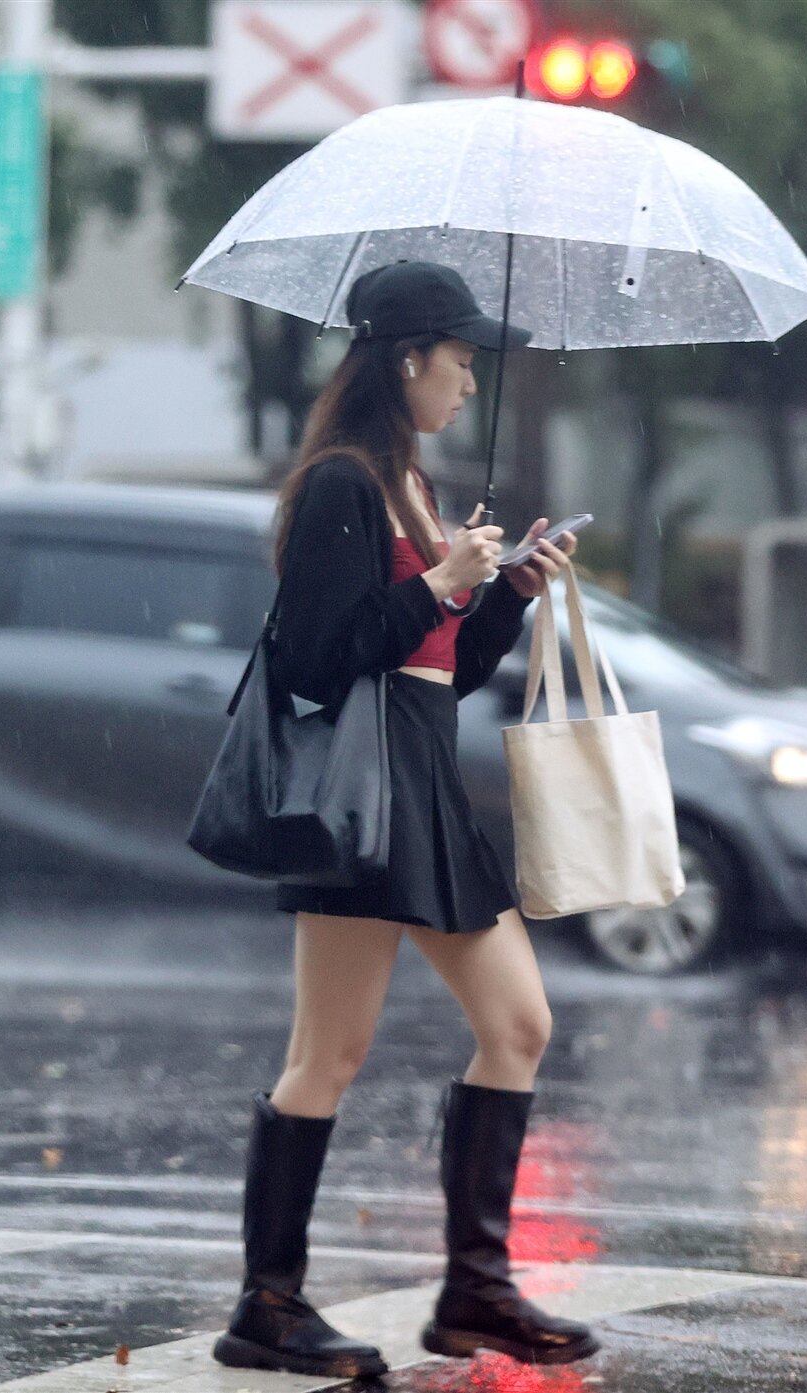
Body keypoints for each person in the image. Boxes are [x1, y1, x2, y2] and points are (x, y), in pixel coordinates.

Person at [211, 262, 597, 1379]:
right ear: (405, 357)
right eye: (461, 359)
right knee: (326, 1053)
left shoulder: (413, 487)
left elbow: (437, 672)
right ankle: (269, 1305)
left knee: (517, 1024)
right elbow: (317, 658)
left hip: (421, 786)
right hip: (361, 801)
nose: (471, 381)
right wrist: (436, 582)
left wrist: (503, 593)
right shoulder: (341, 484)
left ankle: (473, 1290)